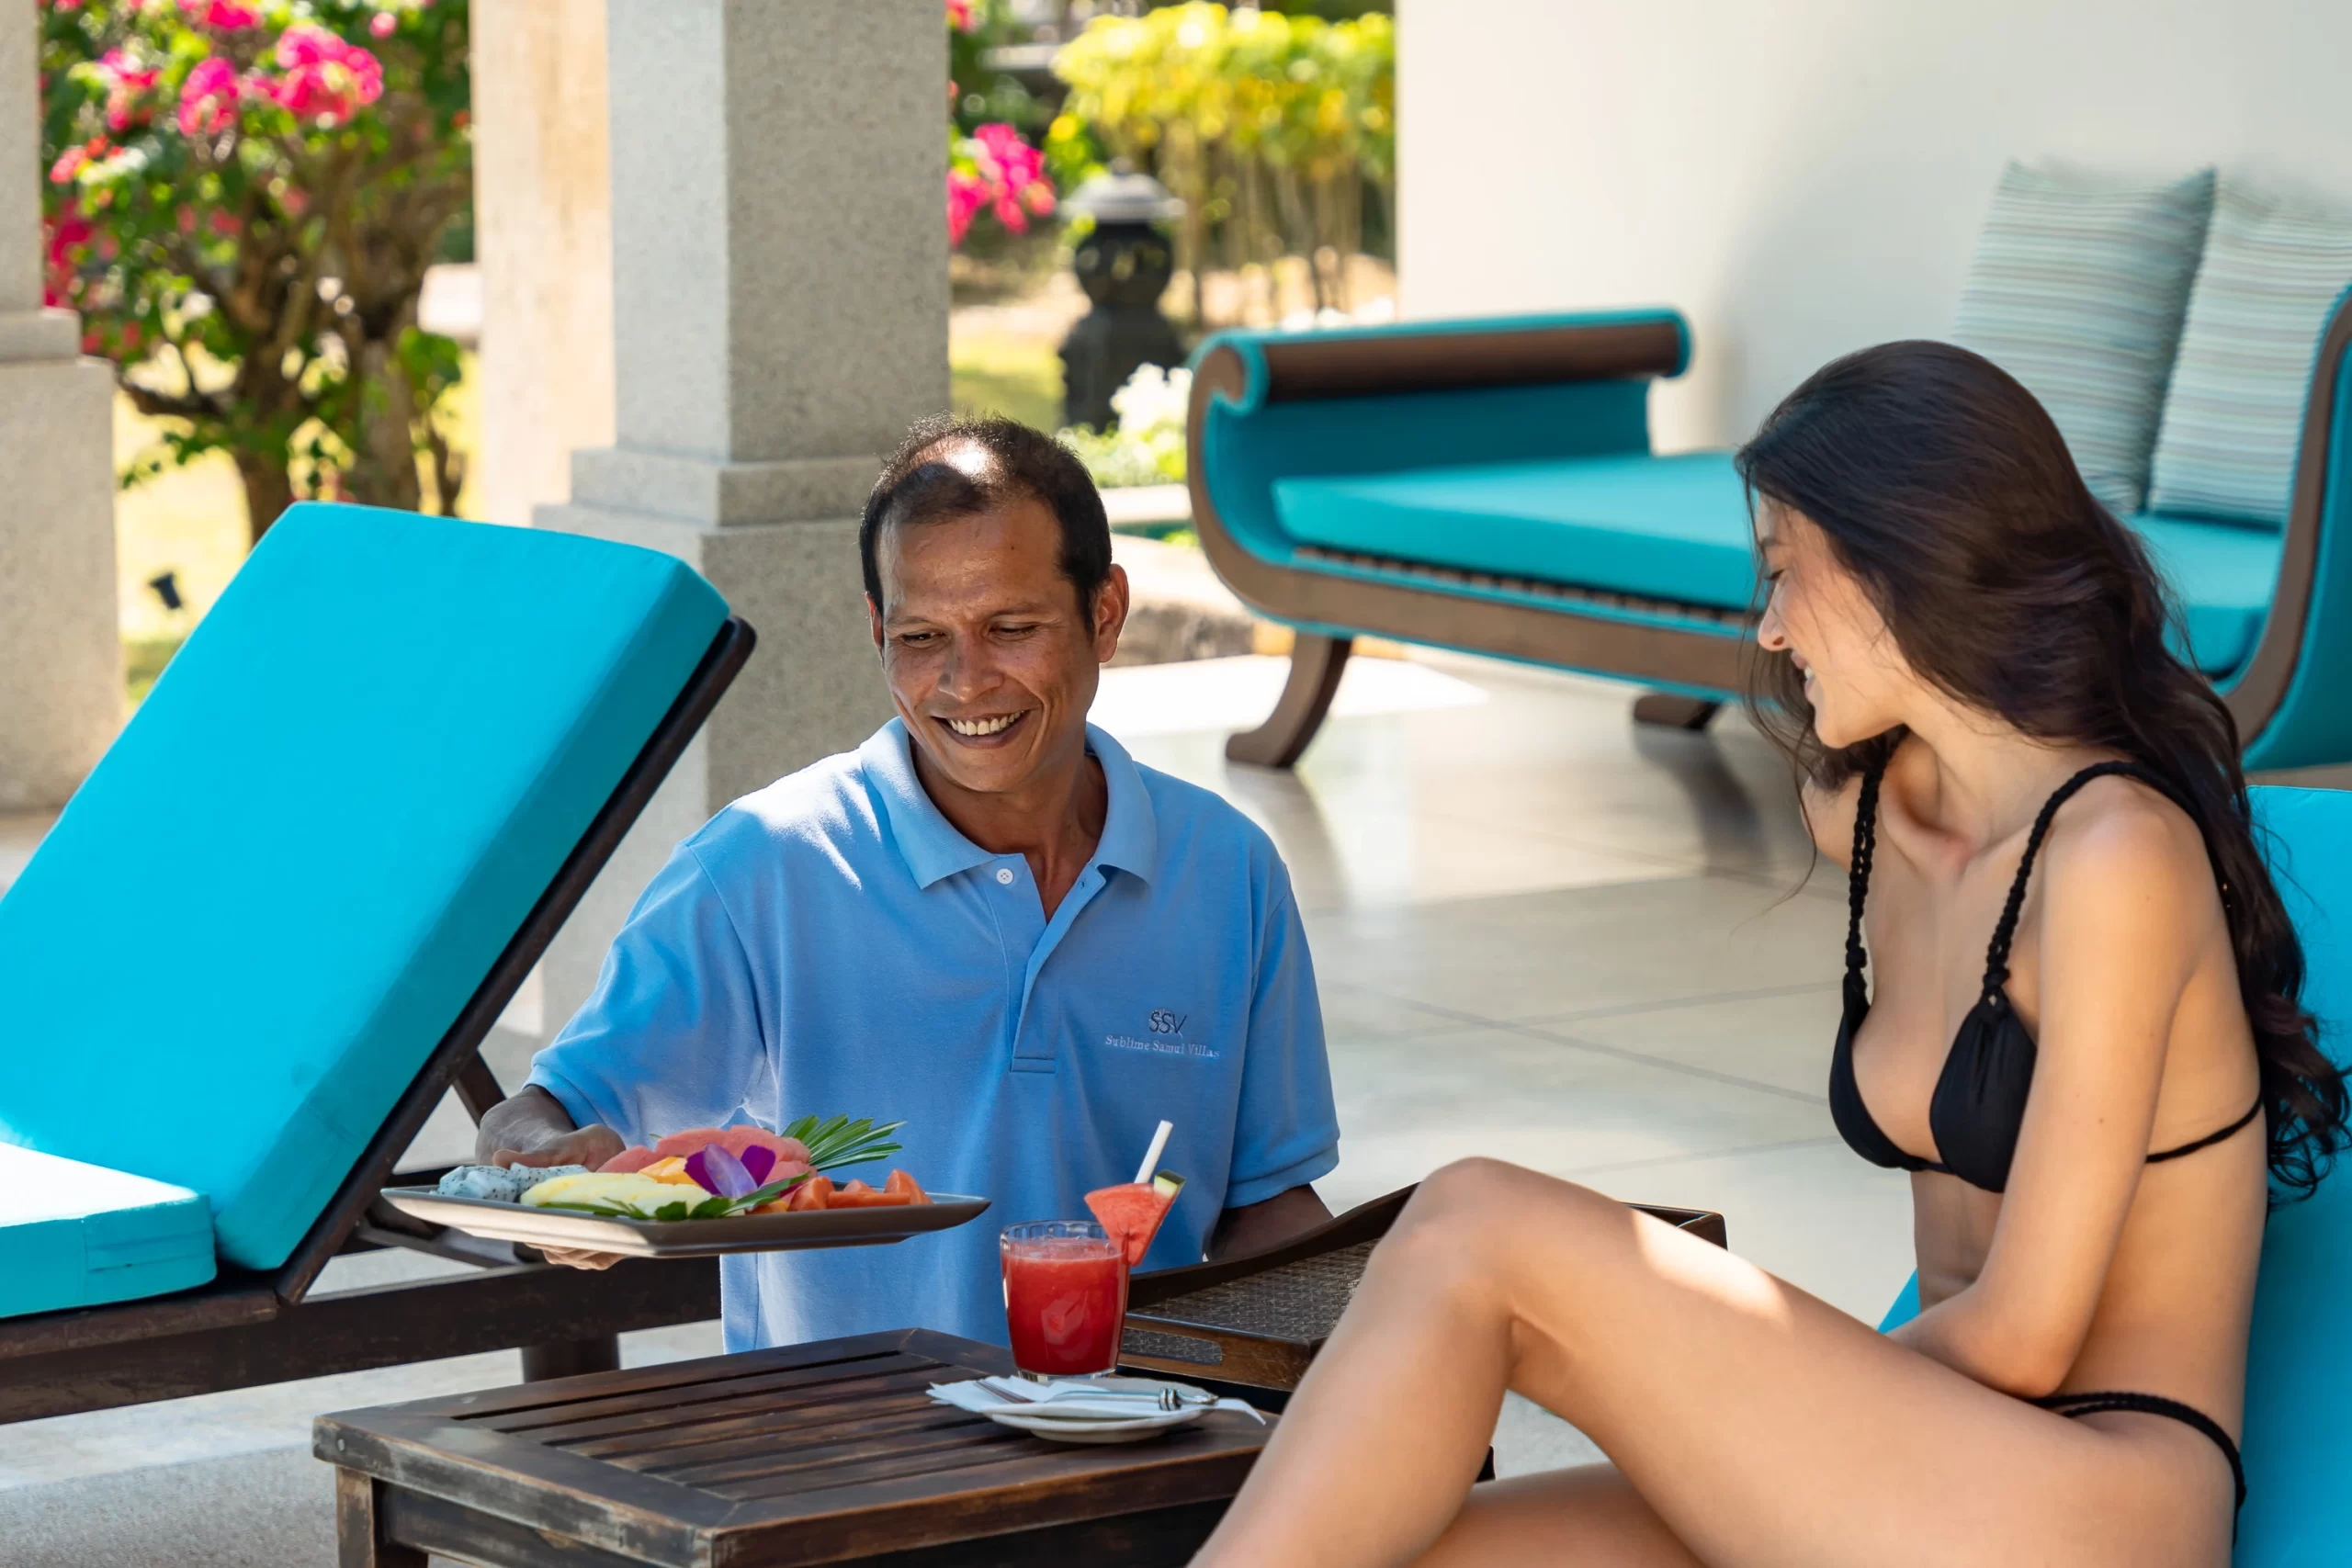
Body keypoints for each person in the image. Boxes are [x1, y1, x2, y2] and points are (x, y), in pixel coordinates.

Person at [1188, 341, 2350, 1568]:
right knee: (1428, 1548)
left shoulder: (2117, 853)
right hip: (1920, 1470)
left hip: (2093, 1507)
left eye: (1788, 572)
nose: (1771, 625)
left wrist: (1700, 1402)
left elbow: (2024, 1333)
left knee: (1477, 1218)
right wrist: (1729, 1421)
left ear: (1903, 559)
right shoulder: (1866, 816)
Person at [478, 415, 1337, 1351]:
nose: (965, 682)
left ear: (1104, 614)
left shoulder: (1227, 872)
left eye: (1011, 628)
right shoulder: (759, 869)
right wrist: (537, 1168)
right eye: (923, 636)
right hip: (840, 1461)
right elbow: (551, 1111)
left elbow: (1269, 1208)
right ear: (877, 629)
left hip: (1130, 1434)